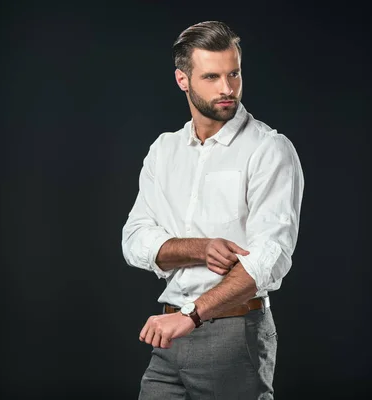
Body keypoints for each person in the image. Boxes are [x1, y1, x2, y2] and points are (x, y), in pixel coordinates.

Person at [121, 20, 304, 399]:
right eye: (211, 77)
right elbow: (135, 240)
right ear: (182, 80)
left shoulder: (269, 149)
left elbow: (269, 258)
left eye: (233, 74)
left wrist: (191, 315)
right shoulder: (164, 150)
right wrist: (199, 248)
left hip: (234, 333)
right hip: (168, 332)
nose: (227, 89)